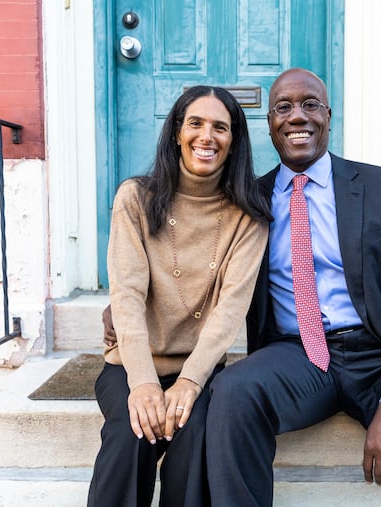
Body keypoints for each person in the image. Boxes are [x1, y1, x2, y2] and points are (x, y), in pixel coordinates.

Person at [103, 69, 381, 506]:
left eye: (310, 105)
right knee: (231, 392)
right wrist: (126, 318)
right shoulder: (248, 203)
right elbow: (197, 272)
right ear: (270, 124)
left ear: (328, 116)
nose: (297, 117)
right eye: (283, 108)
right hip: (296, 357)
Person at [87, 85, 271, 507]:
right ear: (176, 132)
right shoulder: (135, 198)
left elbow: (229, 311)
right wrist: (144, 384)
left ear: (234, 142)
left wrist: (189, 381)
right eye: (196, 124)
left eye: (220, 128)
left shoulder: (249, 215)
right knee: (131, 432)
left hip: (200, 370)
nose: (207, 137)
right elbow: (127, 296)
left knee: (196, 445)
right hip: (132, 366)